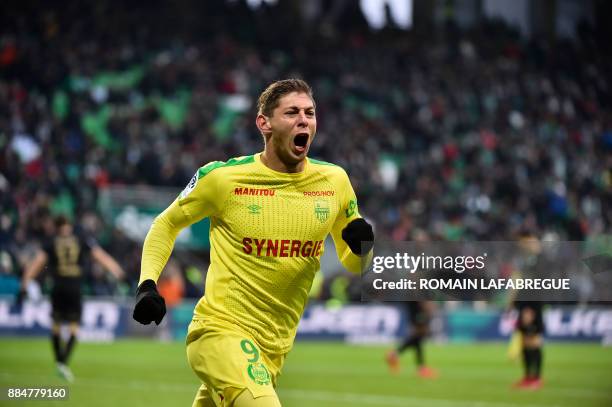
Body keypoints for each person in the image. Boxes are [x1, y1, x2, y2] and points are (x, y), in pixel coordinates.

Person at [132, 78, 374, 407]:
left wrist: (363, 247)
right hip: (220, 332)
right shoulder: (223, 179)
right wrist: (147, 284)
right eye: (292, 112)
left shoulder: (335, 182)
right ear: (265, 123)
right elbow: (166, 223)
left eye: (310, 113)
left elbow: (354, 263)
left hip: (273, 350)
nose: (304, 120)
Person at [20, 215, 124, 381]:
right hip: (74, 287)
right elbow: (100, 256)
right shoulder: (81, 239)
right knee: (74, 327)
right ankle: (63, 363)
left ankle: (59, 362)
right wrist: (118, 271)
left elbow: (37, 263)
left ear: (56, 227)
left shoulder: (51, 242)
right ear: (69, 225)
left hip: (58, 286)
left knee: (56, 326)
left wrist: (24, 284)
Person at [385, 301, 438, 378]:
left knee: (418, 338)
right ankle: (421, 368)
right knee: (418, 335)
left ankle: (421, 367)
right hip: (417, 308)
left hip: (415, 307)